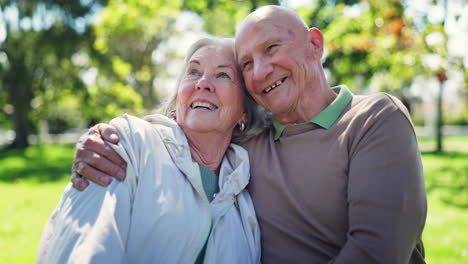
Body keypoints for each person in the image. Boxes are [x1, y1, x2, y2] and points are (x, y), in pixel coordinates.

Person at [71, 6, 427, 264]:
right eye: (246, 65)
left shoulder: (374, 119)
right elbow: (185, 130)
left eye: (272, 48)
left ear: (315, 45)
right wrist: (111, 139)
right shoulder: (246, 144)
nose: (260, 71)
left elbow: (375, 253)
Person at [37, 37, 267, 263]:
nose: (202, 83)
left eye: (223, 75)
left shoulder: (245, 200)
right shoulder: (129, 142)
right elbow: (83, 247)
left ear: (244, 113)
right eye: (193, 72)